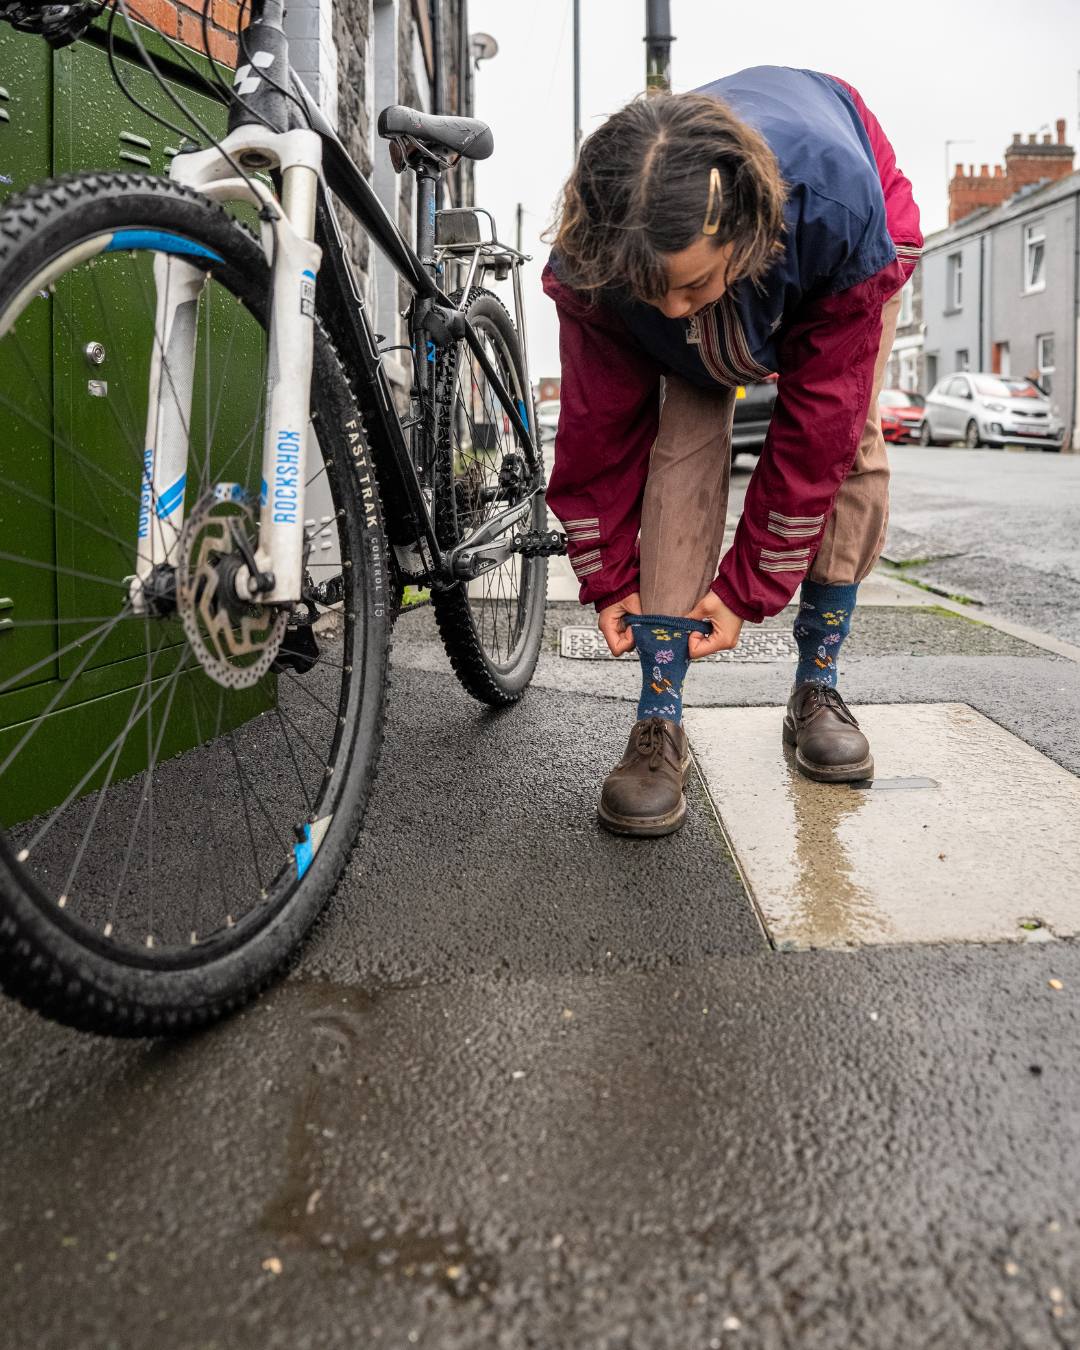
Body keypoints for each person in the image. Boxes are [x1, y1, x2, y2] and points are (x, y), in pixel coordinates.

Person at [542, 66, 922, 838]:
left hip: (847, 241)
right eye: (655, 296)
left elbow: (814, 430)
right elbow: (599, 428)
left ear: (742, 234)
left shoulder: (833, 205)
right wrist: (607, 578)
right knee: (682, 439)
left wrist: (749, 588)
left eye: (690, 287)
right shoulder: (602, 250)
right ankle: (659, 714)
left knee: (848, 446)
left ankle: (817, 684)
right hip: (679, 247)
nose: (673, 311)